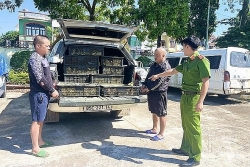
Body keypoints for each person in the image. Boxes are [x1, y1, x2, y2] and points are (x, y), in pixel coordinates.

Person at [149, 36, 210, 166]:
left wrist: (201, 101)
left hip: (194, 98)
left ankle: (195, 157)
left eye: (183, 46)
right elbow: (173, 71)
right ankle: (186, 148)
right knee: (186, 125)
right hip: (184, 97)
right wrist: (158, 75)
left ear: (188, 47)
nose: (182, 49)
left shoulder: (201, 61)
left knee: (194, 128)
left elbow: (206, 81)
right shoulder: (188, 61)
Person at [28, 35, 59, 157]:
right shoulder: (34, 59)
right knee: (36, 121)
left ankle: (40, 141)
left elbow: (46, 75)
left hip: (44, 93)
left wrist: (53, 82)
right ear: (38, 46)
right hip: (38, 94)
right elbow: (40, 79)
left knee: (41, 120)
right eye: (46, 46)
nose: (48, 48)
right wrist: (52, 90)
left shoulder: (43, 57)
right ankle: (35, 148)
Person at [141, 47, 171, 141]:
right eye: (154, 55)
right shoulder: (154, 65)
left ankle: (161, 134)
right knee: (154, 111)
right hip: (151, 92)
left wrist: (148, 89)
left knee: (161, 113)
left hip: (159, 93)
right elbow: (148, 76)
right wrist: (144, 85)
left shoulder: (165, 67)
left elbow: (160, 82)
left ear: (163, 56)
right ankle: (154, 128)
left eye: (157, 55)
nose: (155, 57)